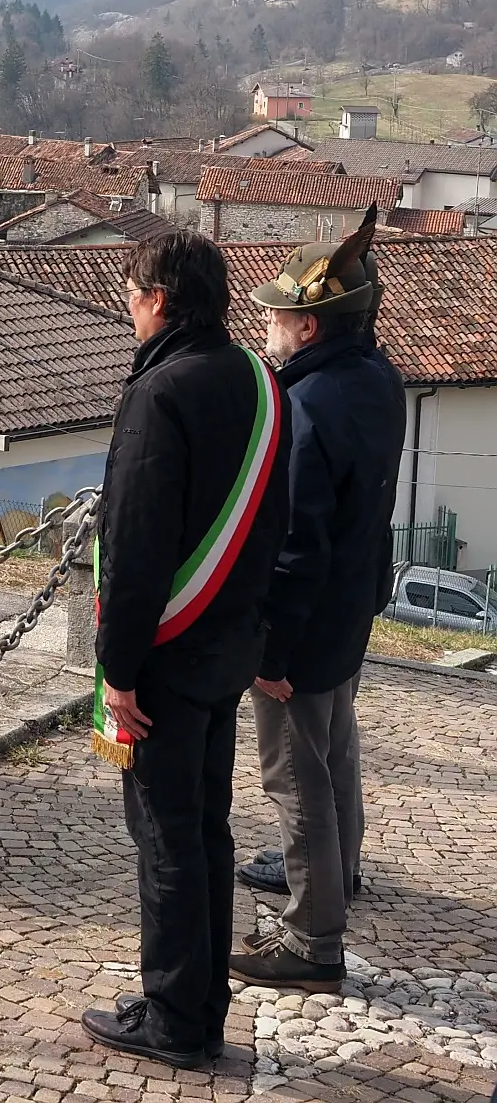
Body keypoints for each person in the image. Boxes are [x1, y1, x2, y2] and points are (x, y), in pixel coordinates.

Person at [80, 230, 291, 1069]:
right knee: (207, 829)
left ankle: (174, 1018)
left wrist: (118, 667)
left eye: (132, 292)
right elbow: (273, 521)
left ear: (160, 298)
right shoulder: (257, 378)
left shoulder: (160, 391)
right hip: (228, 644)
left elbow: (134, 541)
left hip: (166, 653)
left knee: (167, 836)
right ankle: (200, 1000)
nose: (128, 305)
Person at [231, 210, 403, 993]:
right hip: (349, 611)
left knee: (295, 774)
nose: (266, 323)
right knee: (336, 755)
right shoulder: (378, 379)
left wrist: (271, 652)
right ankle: (341, 872)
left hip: (304, 624)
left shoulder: (305, 405)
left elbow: (297, 543)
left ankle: (311, 938)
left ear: (307, 326)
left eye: (276, 313)